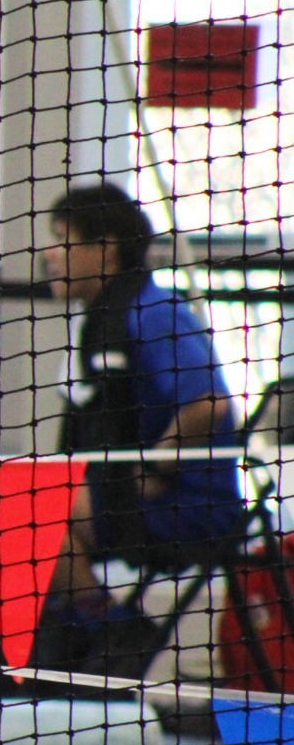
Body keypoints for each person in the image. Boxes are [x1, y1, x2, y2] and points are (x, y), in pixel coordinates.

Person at [38, 180, 245, 677]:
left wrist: (155, 468)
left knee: (21, 512)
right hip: (122, 495)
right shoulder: (95, 322)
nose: (49, 255)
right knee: (7, 514)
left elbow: (210, 403)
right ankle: (84, 638)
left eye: (63, 239)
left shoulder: (154, 313)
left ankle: (112, 630)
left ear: (105, 248)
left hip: (188, 504)